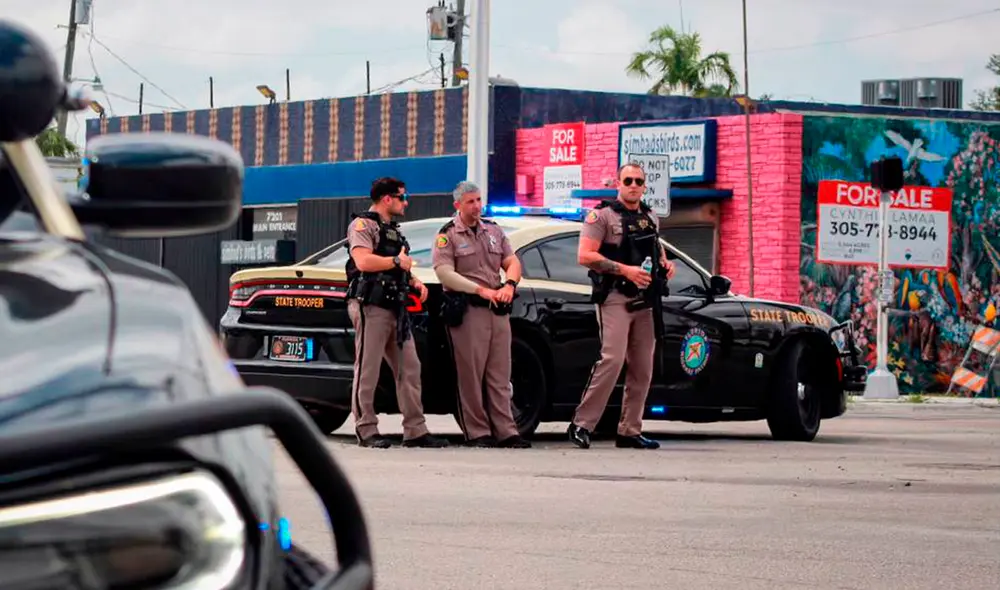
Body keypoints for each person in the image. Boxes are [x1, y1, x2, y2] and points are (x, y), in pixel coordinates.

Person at [567, 163, 676, 450]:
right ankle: (582, 424)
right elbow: (585, 256)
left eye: (638, 181)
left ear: (645, 186)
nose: (633, 185)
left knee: (643, 366)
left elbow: (655, 248)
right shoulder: (601, 216)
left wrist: (665, 263)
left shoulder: (650, 216)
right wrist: (625, 270)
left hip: (645, 299)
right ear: (618, 183)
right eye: (628, 180)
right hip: (615, 295)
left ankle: (630, 430)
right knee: (612, 359)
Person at [345, 177, 449, 449]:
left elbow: (398, 265)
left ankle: (415, 430)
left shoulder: (393, 231)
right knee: (367, 369)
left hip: (395, 307)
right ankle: (366, 429)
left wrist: (413, 280)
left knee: (410, 368)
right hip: (371, 305)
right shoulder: (363, 225)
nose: (406, 202)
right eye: (402, 197)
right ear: (387, 199)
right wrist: (395, 261)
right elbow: (363, 261)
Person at [431, 181, 532, 449]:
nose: (477, 206)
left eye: (478, 200)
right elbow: (444, 273)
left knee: (500, 374)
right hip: (469, 309)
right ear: (458, 205)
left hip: (496, 309)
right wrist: (479, 290)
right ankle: (477, 431)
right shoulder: (448, 235)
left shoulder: (493, 231)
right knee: (471, 375)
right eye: (470, 202)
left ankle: (506, 431)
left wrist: (510, 285)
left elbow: (512, 261)